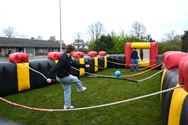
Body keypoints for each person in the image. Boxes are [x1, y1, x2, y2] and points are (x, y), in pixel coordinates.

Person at [46, 44, 90, 109]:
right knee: (75, 79)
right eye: (74, 51)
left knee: (67, 91)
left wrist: (84, 65)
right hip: (62, 77)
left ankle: (67, 105)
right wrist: (49, 77)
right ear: (71, 51)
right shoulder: (63, 59)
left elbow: (74, 64)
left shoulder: (68, 57)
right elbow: (55, 68)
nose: (74, 52)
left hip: (64, 76)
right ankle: (80, 88)